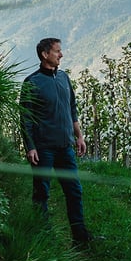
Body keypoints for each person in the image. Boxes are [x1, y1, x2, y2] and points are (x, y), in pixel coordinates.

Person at [20, 37, 100, 247]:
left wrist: (79, 136)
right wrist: (31, 147)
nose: (61, 54)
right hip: (44, 148)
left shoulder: (64, 78)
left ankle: (79, 235)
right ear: (45, 54)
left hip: (66, 147)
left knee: (74, 191)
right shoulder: (32, 82)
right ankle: (43, 236)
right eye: (57, 51)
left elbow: (71, 109)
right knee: (41, 193)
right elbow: (25, 118)